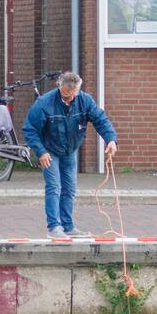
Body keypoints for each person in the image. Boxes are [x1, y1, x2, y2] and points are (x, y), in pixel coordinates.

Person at [23, 71, 117, 239]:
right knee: (54, 187)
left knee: (70, 189)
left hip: (70, 150)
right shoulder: (44, 103)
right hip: (49, 150)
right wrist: (41, 151)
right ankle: (54, 227)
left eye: (73, 96)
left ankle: (67, 226)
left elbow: (100, 120)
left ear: (78, 90)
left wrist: (110, 140)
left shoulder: (85, 100)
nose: (69, 100)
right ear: (59, 87)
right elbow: (30, 129)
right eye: (66, 96)